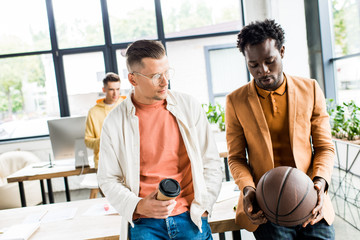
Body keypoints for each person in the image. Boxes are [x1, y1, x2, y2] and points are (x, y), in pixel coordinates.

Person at [97, 39, 223, 240]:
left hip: (191, 217)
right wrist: (137, 205)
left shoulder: (189, 106)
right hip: (145, 224)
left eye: (166, 72)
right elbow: (107, 178)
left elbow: (211, 163)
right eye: (156, 76)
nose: (165, 81)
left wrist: (204, 208)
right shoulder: (114, 122)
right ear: (133, 79)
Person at [225, 19, 335, 239]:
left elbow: (324, 147)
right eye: (253, 65)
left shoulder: (311, 89)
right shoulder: (235, 101)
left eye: (269, 61)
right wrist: (248, 189)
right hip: (266, 205)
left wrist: (319, 184)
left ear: (282, 51)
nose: (262, 71)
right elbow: (236, 158)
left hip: (310, 197)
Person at [85, 72, 126, 169]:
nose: (115, 93)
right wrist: (103, 140)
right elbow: (88, 141)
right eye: (111, 89)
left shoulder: (126, 106)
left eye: (118, 89)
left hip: (126, 161)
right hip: (104, 165)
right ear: (104, 90)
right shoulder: (93, 112)